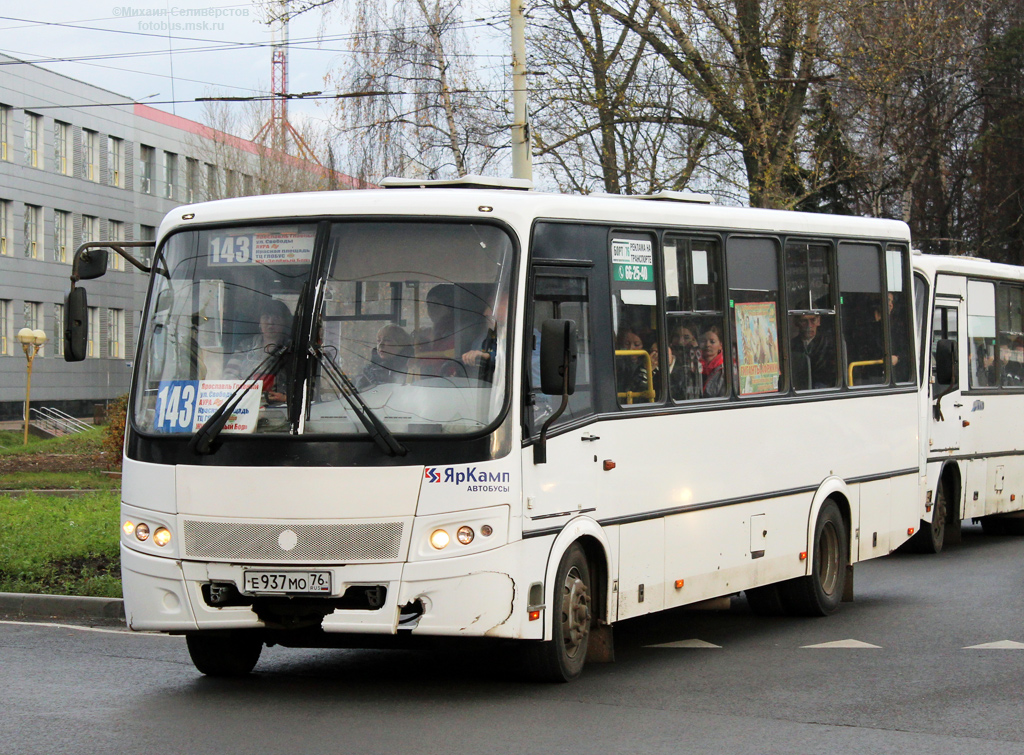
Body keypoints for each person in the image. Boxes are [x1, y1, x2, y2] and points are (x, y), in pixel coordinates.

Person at [224, 298, 291, 403]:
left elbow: (304, 388)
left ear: (285, 323)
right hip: (246, 404)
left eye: (276, 318)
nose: (270, 323)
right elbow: (228, 376)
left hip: (281, 409)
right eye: (266, 317)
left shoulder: (292, 349)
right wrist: (246, 392)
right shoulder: (246, 346)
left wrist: (287, 398)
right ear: (259, 322)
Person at [790, 314, 836, 390]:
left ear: (818, 321)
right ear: (796, 322)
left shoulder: (830, 343)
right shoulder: (791, 345)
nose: (809, 325)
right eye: (804, 321)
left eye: (813, 320)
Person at [358, 324, 413, 388]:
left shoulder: (413, 367)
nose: (380, 345)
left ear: (400, 344)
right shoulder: (370, 372)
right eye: (378, 340)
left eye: (387, 340)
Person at [615, 328, 651, 402]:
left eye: (636, 344)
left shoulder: (648, 362)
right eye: (627, 344)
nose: (631, 348)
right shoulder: (619, 363)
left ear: (643, 346)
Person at [699, 324, 726, 397]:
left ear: (720, 345)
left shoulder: (724, 370)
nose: (707, 345)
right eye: (703, 341)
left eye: (712, 342)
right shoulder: (694, 366)